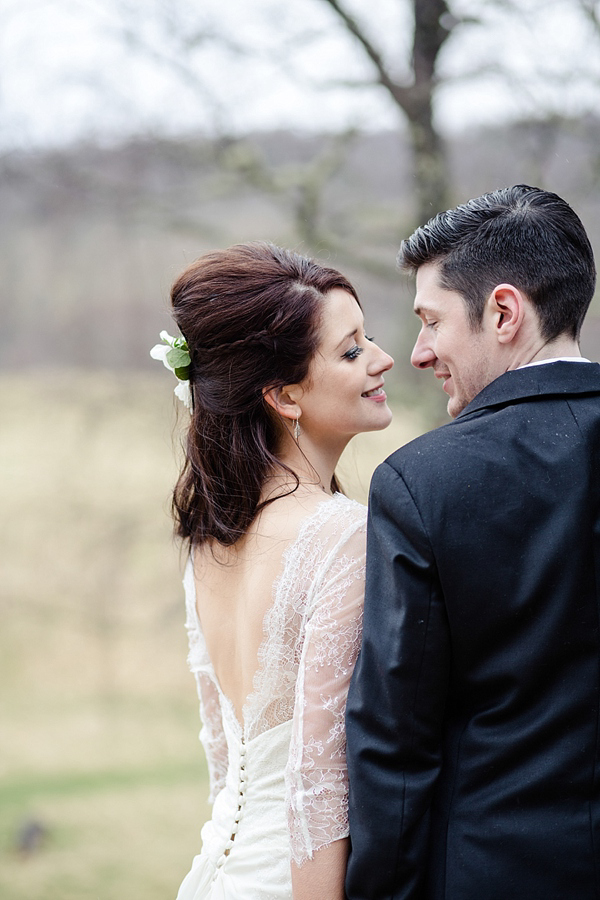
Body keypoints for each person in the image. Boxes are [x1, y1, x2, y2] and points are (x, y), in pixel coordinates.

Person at [345, 185, 600, 900]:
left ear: (504, 312)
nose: (419, 352)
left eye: (431, 321)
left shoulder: (423, 483)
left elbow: (395, 748)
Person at [151, 241, 394, 900]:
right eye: (351, 351)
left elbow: (223, 765)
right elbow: (318, 786)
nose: (383, 358)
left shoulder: (209, 540)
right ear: (284, 396)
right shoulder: (341, 535)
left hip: (215, 876)